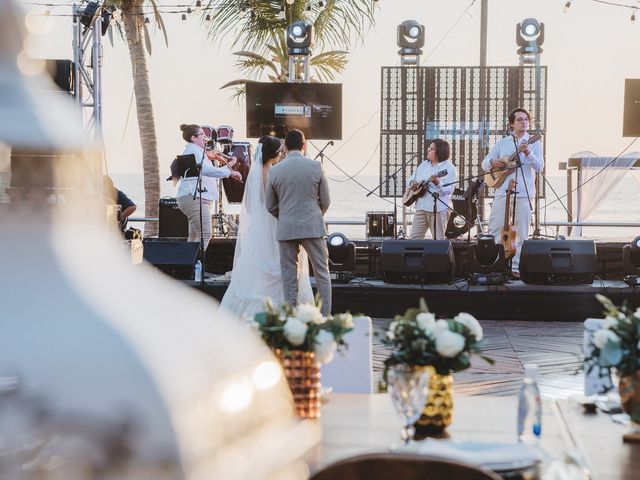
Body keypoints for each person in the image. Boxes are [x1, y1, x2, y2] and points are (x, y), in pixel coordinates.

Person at [220, 136, 313, 319]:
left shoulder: (254, 175)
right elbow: (278, 203)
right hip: (276, 226)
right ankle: (284, 314)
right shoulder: (274, 174)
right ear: (275, 154)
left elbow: (248, 207)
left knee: (256, 271)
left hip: (259, 231)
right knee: (283, 266)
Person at [266, 129, 332, 316]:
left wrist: (285, 215)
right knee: (322, 272)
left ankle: (291, 316)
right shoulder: (316, 166)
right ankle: (325, 316)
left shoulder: (275, 170)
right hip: (312, 226)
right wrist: (316, 214)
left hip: (286, 227)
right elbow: (326, 200)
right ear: (304, 146)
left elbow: (270, 205)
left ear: (285, 147)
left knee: (289, 275)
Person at [481, 107, 544, 277]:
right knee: (494, 229)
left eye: (526, 119)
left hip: (523, 193)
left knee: (521, 233)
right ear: (511, 124)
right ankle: (495, 264)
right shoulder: (502, 143)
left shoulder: (534, 142)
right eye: (520, 120)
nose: (524, 122)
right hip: (502, 191)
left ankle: (515, 268)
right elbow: (484, 163)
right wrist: (493, 162)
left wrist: (528, 153)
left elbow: (539, 167)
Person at [174, 124, 242, 250]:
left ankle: (190, 266)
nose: (205, 137)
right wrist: (231, 172)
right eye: (202, 135)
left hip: (197, 198)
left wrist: (230, 166)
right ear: (193, 138)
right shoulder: (194, 150)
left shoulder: (198, 151)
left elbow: (212, 173)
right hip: (194, 198)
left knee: (194, 237)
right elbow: (206, 170)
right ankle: (196, 264)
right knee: (205, 234)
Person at [407, 139, 458, 240]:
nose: (428, 150)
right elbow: (412, 178)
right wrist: (412, 183)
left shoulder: (449, 169)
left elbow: (448, 190)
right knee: (414, 239)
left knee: (438, 241)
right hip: (421, 206)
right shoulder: (424, 164)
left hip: (438, 209)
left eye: (431, 149)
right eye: (428, 148)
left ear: (439, 151)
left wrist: (438, 183)